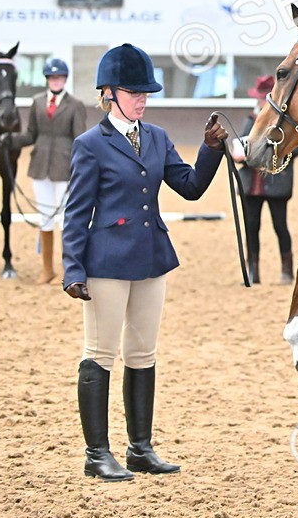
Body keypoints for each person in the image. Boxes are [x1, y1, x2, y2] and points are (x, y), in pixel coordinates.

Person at [61, 43, 228, 481]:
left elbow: (189, 187)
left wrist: (210, 149)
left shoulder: (157, 137)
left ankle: (140, 448)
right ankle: (97, 453)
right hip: (106, 262)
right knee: (100, 353)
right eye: (134, 92)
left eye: (146, 92)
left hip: (152, 258)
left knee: (143, 354)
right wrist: (73, 269)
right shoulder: (90, 145)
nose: (142, 99)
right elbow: (77, 213)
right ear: (109, 93)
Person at [8, 58, 87, 284]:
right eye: (52, 77)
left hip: (64, 167)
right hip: (40, 165)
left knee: (64, 219)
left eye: (59, 77)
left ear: (65, 79)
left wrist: (79, 168)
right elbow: (30, 134)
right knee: (45, 217)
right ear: (47, 80)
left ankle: (66, 269)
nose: (56, 81)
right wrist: (9, 140)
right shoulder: (37, 102)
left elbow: (80, 140)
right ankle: (47, 268)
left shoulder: (75, 105)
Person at [230, 75, 297, 285]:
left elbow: (294, 149)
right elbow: (241, 141)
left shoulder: (285, 121)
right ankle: (253, 270)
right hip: (252, 183)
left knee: (280, 225)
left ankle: (287, 270)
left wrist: (264, 154)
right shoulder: (251, 119)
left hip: (275, 182)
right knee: (251, 226)